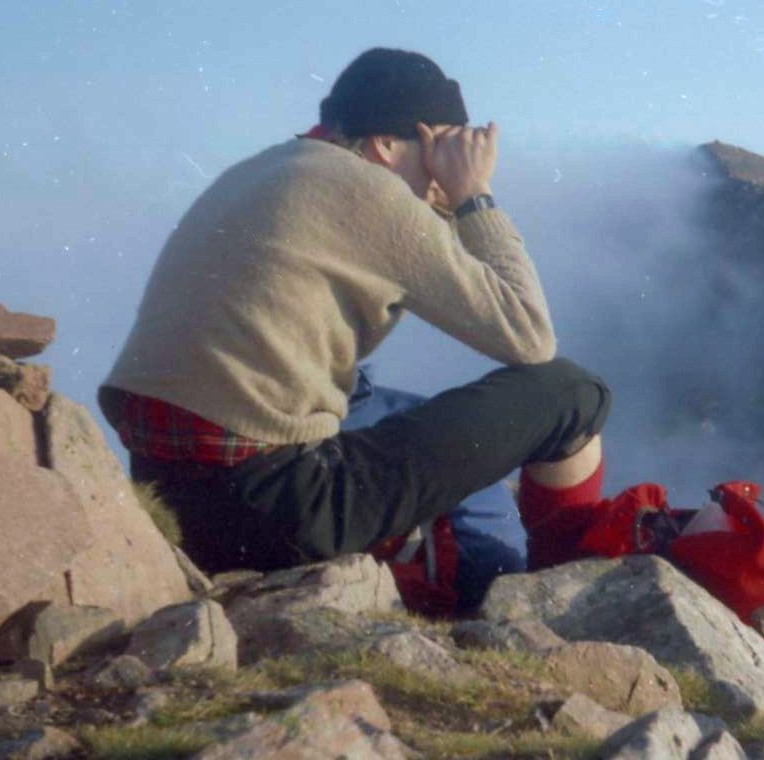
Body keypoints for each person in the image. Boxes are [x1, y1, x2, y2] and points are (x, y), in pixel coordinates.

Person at [99, 48, 614, 613]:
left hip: (169, 493)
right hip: (276, 509)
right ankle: (563, 595)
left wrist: (436, 193)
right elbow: (529, 335)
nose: (443, 174)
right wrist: (474, 196)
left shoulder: (265, 167)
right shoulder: (372, 193)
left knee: (372, 394)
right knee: (570, 392)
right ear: (385, 146)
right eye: (439, 148)